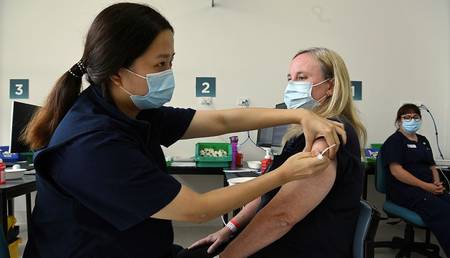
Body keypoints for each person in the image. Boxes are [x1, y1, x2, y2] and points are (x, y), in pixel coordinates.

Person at [21, 4, 346, 258]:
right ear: (118, 74)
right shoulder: (92, 143)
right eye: (160, 65)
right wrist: (282, 174)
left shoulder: (131, 110)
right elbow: (197, 209)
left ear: (331, 86)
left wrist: (294, 115)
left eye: (171, 62)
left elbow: (220, 121)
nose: (169, 73)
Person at [189, 47, 367, 258]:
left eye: (301, 78)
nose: (292, 86)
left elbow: (282, 216)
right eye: (290, 79)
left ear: (330, 86)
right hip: (280, 237)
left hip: (304, 246)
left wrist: (225, 256)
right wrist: (229, 230)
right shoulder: (300, 133)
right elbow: (269, 193)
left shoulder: (328, 135)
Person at [380, 103, 450, 258]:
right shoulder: (394, 141)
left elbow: (432, 166)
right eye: (407, 117)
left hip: (429, 188)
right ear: (399, 121)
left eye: (416, 117)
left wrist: (436, 183)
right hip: (406, 191)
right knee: (447, 217)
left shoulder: (423, 140)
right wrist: (427, 186)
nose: (412, 120)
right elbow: (397, 172)